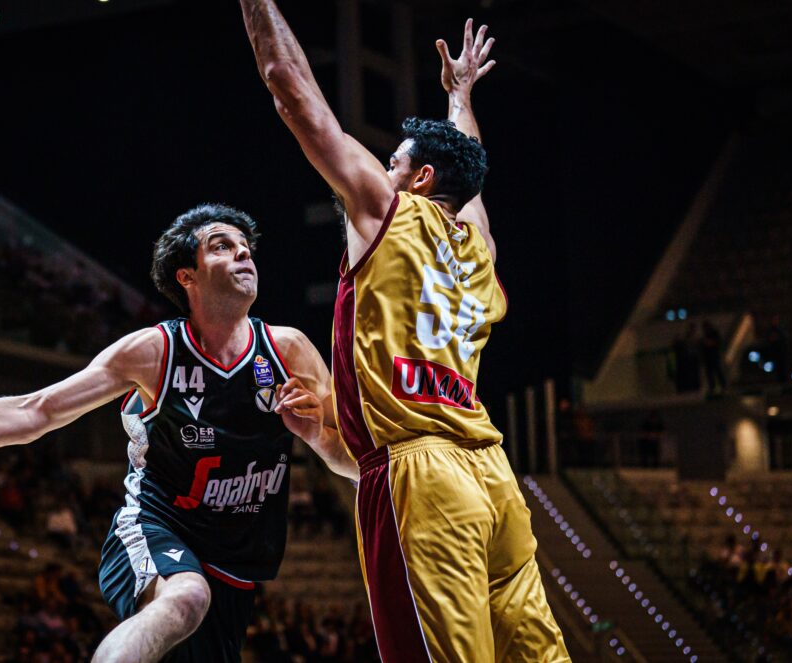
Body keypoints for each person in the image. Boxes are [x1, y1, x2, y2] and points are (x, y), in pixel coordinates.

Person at [0, 203, 358, 663]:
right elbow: (40, 410)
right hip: (156, 526)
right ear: (186, 276)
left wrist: (315, 436)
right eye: (221, 245)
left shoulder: (288, 351)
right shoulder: (154, 351)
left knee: (196, 605)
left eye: (244, 245)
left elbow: (354, 462)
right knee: (187, 596)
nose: (243, 252)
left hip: (236, 562)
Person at [239, 5, 568, 661]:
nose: (377, 168)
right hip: (493, 477)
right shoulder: (479, 246)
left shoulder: (386, 213)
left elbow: (288, 86)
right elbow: (468, 174)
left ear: (419, 180)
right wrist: (459, 98)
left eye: (392, 160)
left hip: (425, 475)